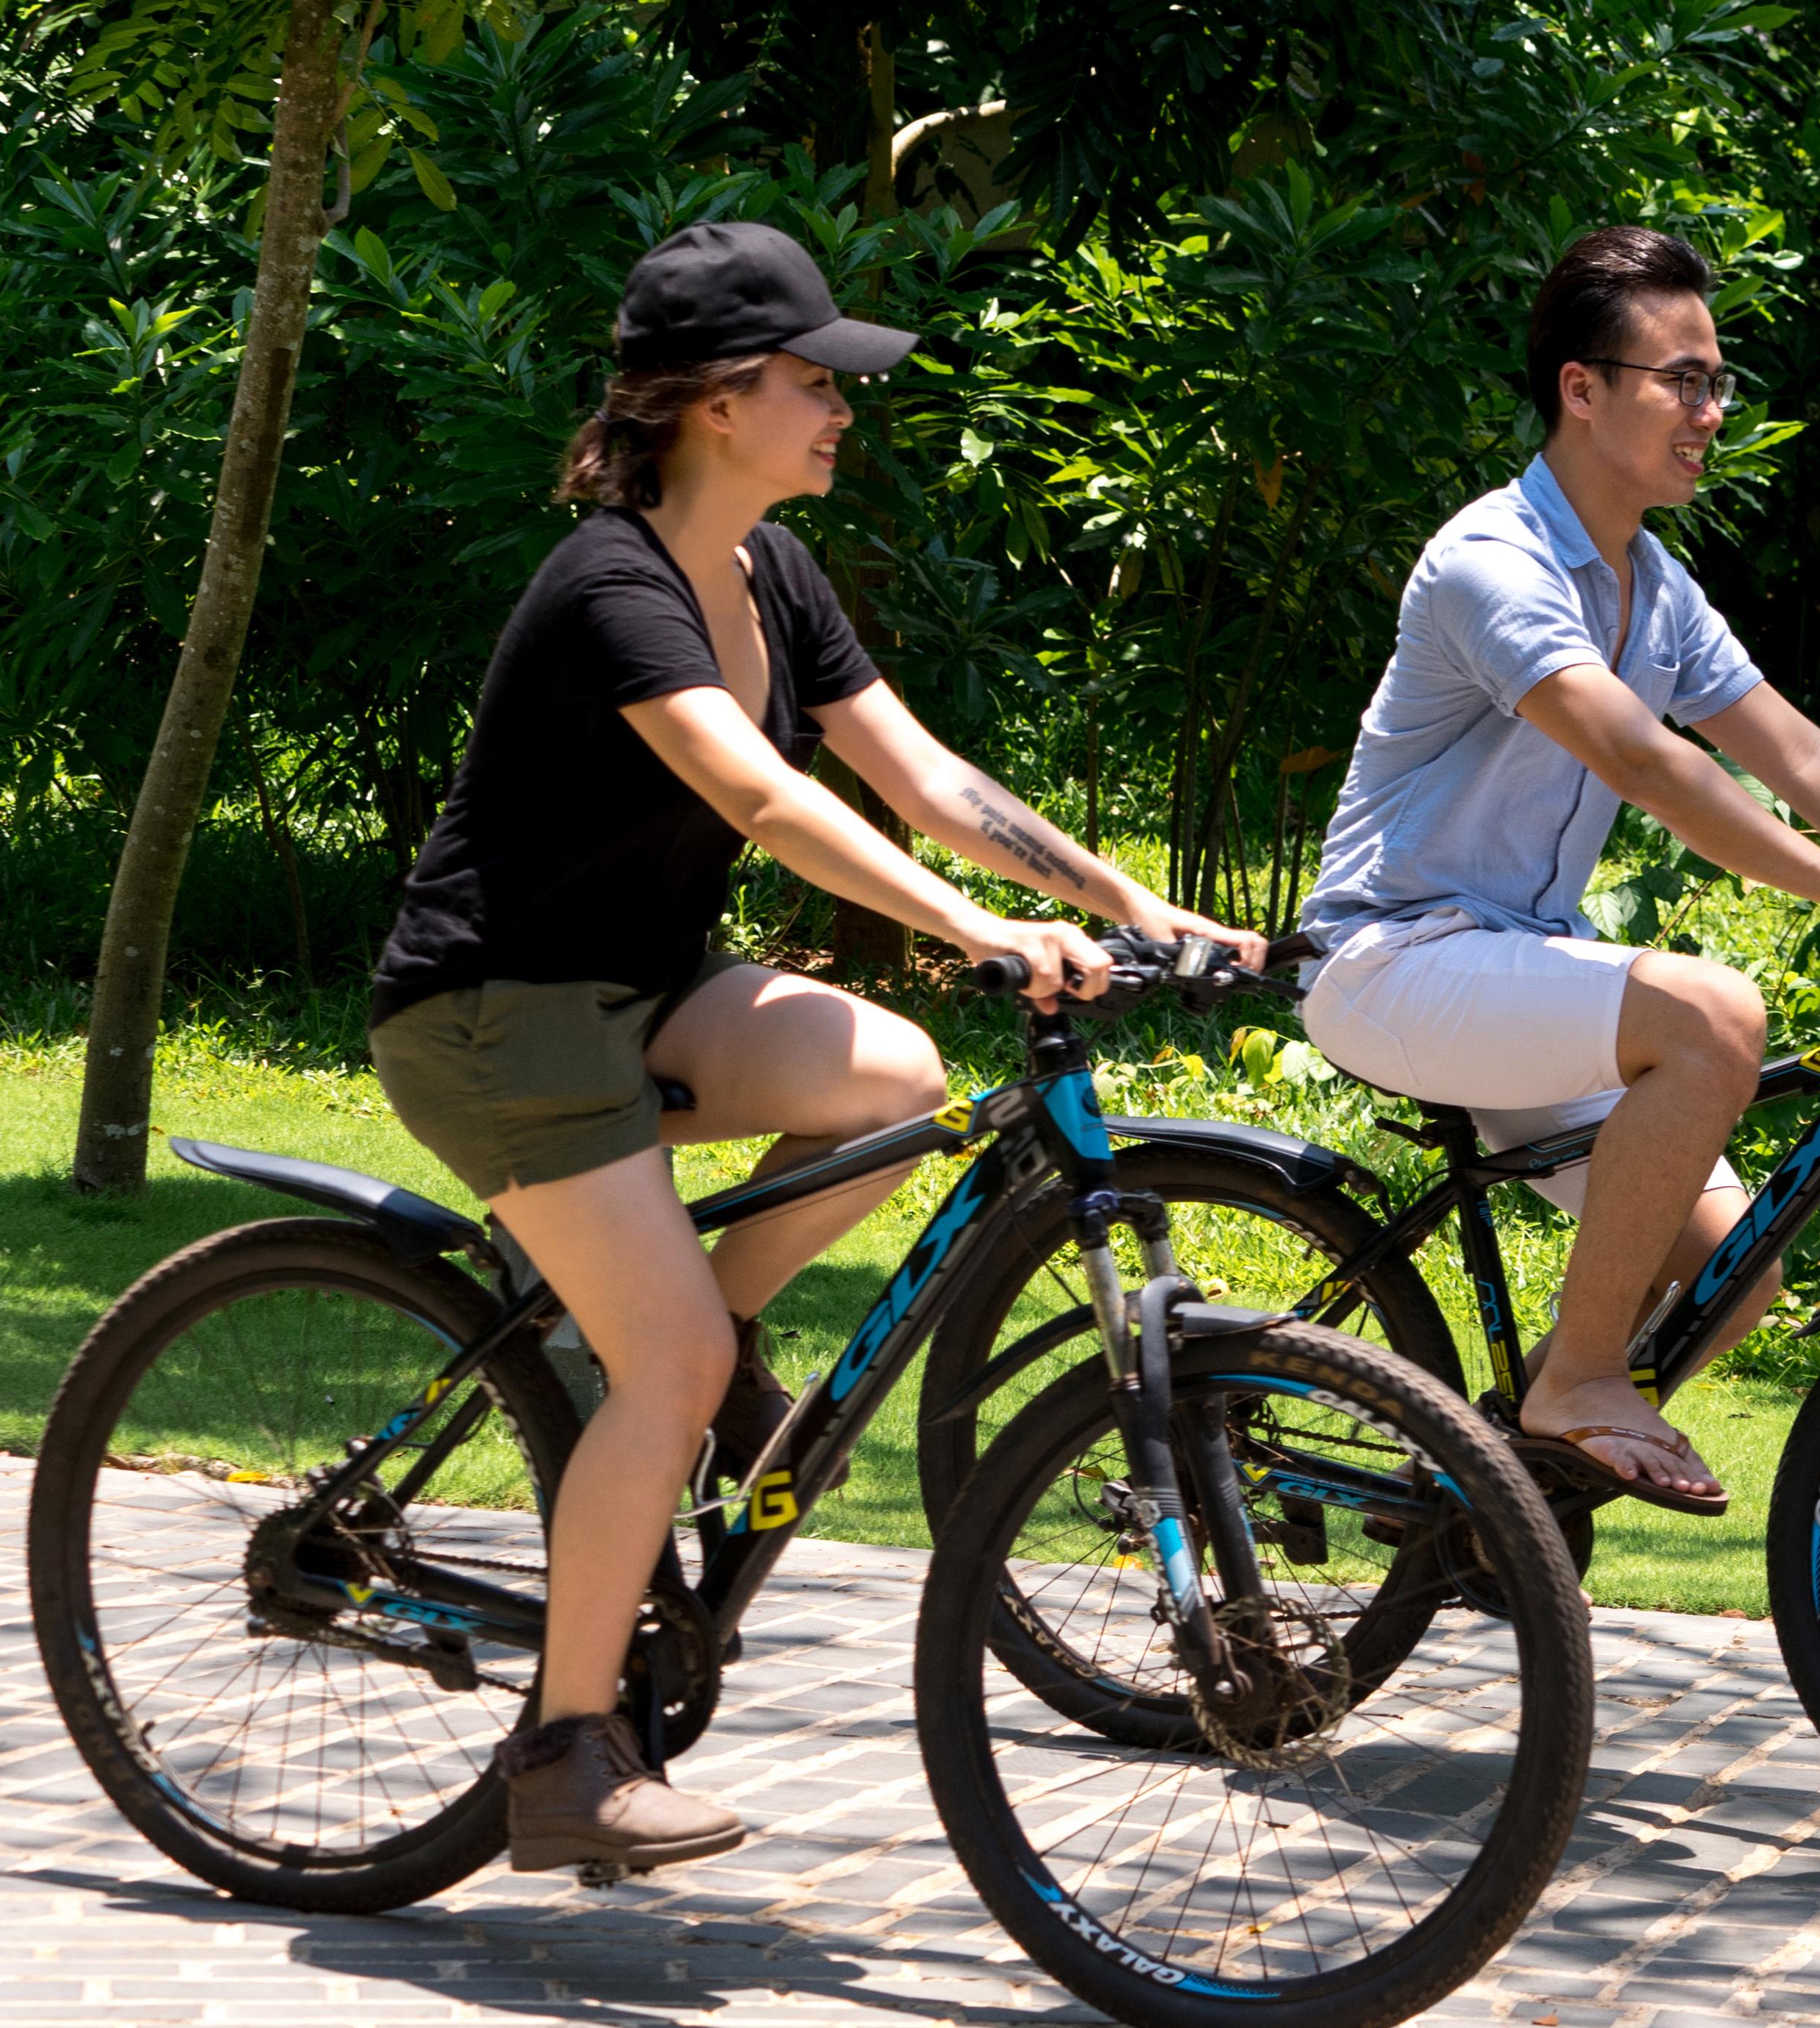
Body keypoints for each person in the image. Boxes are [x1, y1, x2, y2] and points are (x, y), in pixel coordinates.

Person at [368, 219, 1254, 1879]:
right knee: (673, 1361)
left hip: (642, 985)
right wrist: (979, 933)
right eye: (812, 382)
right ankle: (566, 1753)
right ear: (715, 401)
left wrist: (1121, 894)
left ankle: (695, 1370)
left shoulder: (774, 570)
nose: (842, 408)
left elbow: (920, 778)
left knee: (894, 1079)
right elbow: (766, 801)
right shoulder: (612, 585)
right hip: (498, 1012)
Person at [1298, 226, 1820, 1513]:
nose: (1712, 410)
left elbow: (1798, 756)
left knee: (1734, 1266)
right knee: (1715, 1012)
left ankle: (1495, 1489)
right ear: (1583, 387)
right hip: (1395, 957)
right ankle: (1575, 1386)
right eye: (1684, 379)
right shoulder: (1493, 562)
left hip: (1517, 963)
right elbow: (1646, 762)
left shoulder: (1652, 586)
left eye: (1720, 382)